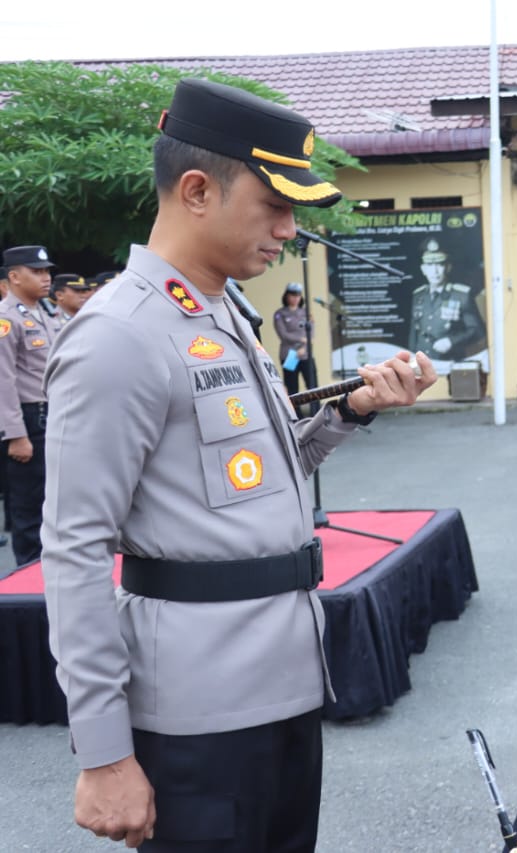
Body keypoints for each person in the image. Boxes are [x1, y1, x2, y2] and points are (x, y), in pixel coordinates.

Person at [40, 77, 438, 851]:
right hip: (196, 710)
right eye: (276, 206)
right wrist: (104, 751)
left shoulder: (223, 313)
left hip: (284, 682)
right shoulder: (119, 336)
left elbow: (266, 469)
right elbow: (75, 549)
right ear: (196, 190)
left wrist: (353, 411)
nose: (289, 231)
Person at [0, 244, 58, 566]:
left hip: (52, 415)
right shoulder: (6, 320)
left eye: (47, 271)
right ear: (14, 277)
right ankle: (28, 574)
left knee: (52, 501)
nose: (46, 278)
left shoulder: (45, 313)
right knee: (29, 505)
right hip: (29, 419)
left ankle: (47, 569)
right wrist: (16, 434)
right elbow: (2, 380)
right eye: (36, 272)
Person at [409, 238, 486, 363]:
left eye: (440, 265)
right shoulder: (419, 296)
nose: (435, 271)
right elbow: (414, 336)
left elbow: (477, 331)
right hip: (421, 364)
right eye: (429, 265)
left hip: (448, 363)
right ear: (423, 269)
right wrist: (412, 363)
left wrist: (451, 341)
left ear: (448, 267)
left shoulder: (461, 295)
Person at [273, 281, 316, 404]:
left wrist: (304, 347)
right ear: (286, 296)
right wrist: (301, 340)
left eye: (298, 295)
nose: (295, 298)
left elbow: (311, 333)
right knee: (292, 388)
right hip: (290, 355)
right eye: (292, 295)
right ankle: (297, 416)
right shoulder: (280, 314)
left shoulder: (306, 313)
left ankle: (316, 412)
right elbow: (283, 335)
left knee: (313, 386)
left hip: (306, 354)